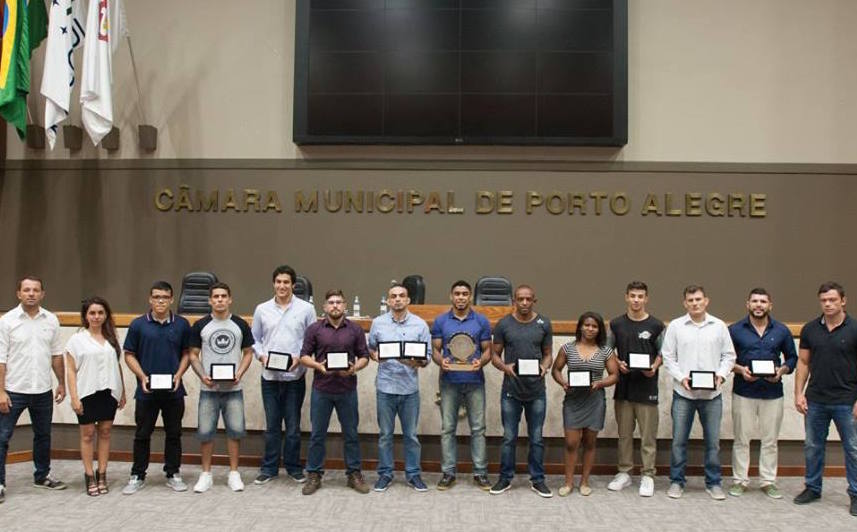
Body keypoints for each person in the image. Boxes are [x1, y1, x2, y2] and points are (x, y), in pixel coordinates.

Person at [661, 285, 735, 500]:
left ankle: (713, 483)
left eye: (698, 299)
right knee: (678, 441)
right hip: (683, 394)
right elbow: (668, 357)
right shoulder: (676, 326)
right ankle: (677, 481)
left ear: (706, 301)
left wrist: (720, 376)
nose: (695, 303)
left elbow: (729, 356)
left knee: (712, 442)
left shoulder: (719, 326)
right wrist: (681, 377)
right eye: (690, 300)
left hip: (712, 397)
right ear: (685, 303)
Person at [0, 276, 67, 503]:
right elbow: (1, 361)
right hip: (13, 390)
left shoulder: (51, 320)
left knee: (43, 435)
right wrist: (0, 392)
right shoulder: (7, 321)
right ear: (18, 294)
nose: (31, 294)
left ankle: (42, 475)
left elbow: (57, 355)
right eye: (26, 290)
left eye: (35, 290)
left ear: (42, 294)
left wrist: (61, 383)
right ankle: (0, 483)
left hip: (42, 391)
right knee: (2, 437)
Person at [793, 282, 857, 516]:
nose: (828, 304)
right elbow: (803, 362)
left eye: (832, 300)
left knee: (853, 448)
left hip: (847, 401)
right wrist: (798, 393)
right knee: (812, 446)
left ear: (843, 300)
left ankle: (856, 493)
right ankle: (812, 487)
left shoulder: (854, 329)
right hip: (816, 399)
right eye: (824, 300)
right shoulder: (810, 329)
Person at [122, 281, 191, 495]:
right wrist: (141, 376)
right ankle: (137, 475)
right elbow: (129, 354)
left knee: (174, 433)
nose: (160, 301)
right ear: (150, 299)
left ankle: (173, 473)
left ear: (171, 299)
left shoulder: (181, 324)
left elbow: (188, 353)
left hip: (173, 391)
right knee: (142, 434)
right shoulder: (138, 325)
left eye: (165, 297)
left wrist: (179, 375)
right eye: (156, 297)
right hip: (147, 391)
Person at [728, 288, 797, 499]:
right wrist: (741, 370)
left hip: (772, 392)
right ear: (747, 304)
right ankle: (740, 480)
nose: (759, 305)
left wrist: (781, 370)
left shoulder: (782, 331)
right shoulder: (735, 330)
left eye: (763, 301)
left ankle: (768, 481)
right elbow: (726, 359)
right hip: (744, 391)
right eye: (755, 301)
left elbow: (792, 359)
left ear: (770, 305)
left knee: (770, 440)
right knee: (741, 439)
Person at [300, 289, 371, 495]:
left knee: (351, 435)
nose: (335, 305)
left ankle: (354, 474)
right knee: (317, 435)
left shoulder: (355, 330)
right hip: (321, 389)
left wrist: (354, 368)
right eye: (331, 302)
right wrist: (317, 366)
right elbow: (304, 356)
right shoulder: (314, 329)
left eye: (339, 302)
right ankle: (314, 474)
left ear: (345, 305)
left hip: (347, 389)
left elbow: (364, 356)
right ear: (324, 307)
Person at [251, 265, 317, 486]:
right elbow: (255, 340)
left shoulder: (306, 309)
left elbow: (312, 340)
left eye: (286, 282)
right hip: (269, 377)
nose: (282, 286)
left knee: (292, 427)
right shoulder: (262, 309)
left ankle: (293, 467)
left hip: (294, 377)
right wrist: (261, 357)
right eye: (278, 282)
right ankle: (269, 468)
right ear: (273, 284)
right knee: (271, 426)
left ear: (293, 285)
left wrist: (300, 357)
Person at [189, 283, 254, 493]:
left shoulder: (240, 324)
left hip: (233, 389)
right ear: (210, 300)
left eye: (223, 296)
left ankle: (234, 474)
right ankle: (206, 474)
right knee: (206, 432)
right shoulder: (200, 325)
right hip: (208, 389)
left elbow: (248, 353)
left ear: (230, 299)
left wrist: (240, 373)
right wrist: (202, 375)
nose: (219, 300)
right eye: (215, 296)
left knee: (234, 431)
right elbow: (192, 355)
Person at [489, 285, 553, 498]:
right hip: (511, 391)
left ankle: (538, 480)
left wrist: (545, 367)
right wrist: (504, 367)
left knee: (536, 438)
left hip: (536, 391)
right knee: (509, 437)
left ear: (534, 300)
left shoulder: (544, 323)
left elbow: (547, 354)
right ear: (513, 301)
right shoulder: (504, 324)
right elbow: (495, 355)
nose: (524, 303)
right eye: (520, 299)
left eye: (528, 299)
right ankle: (505, 478)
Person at [367, 283, 431, 493]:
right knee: (385, 434)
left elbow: (427, 357)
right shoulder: (378, 323)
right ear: (388, 300)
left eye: (401, 296)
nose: (397, 299)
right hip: (385, 387)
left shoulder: (420, 325)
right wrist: (374, 356)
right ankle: (385, 473)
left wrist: (417, 362)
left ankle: (413, 474)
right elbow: (371, 348)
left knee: (411, 435)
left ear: (408, 300)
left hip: (409, 388)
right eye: (393, 296)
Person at [431, 280, 492, 491]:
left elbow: (487, 351)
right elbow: (436, 350)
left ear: (471, 296)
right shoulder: (440, 321)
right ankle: (448, 473)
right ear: (451, 296)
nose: (460, 297)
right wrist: (442, 362)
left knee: (478, 429)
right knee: (448, 428)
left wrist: (480, 362)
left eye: (465, 293)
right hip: (449, 382)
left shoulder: (481, 321)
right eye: (457, 293)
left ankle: (480, 473)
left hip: (475, 381)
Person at [607, 281, 665, 497]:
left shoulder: (656, 325)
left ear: (646, 299)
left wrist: (654, 367)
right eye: (632, 296)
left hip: (647, 388)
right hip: (624, 388)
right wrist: (617, 363)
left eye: (640, 296)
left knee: (648, 435)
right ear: (626, 297)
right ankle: (624, 472)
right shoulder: (616, 324)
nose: (636, 300)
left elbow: (663, 353)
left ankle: (648, 474)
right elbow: (608, 349)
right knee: (624, 435)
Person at [551, 311, 618, 496]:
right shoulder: (567, 348)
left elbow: (614, 375)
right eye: (587, 325)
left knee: (589, 442)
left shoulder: (606, 350)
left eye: (594, 326)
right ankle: (568, 482)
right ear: (580, 326)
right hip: (573, 400)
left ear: (599, 330)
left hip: (594, 400)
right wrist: (562, 382)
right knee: (571, 442)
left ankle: (585, 482)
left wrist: (601, 383)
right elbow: (555, 369)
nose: (590, 329)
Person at [65, 297, 127, 496]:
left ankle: (102, 473)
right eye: (92, 313)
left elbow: (117, 366)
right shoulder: (76, 340)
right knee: (88, 434)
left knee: (106, 432)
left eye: (100, 312)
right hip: (87, 392)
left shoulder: (111, 338)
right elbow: (71, 371)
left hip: (109, 392)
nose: (96, 316)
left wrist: (123, 391)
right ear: (85, 316)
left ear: (106, 315)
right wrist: (74, 397)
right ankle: (89, 475)